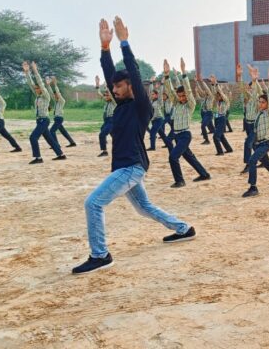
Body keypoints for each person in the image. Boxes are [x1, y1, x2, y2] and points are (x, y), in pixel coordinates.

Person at [73, 17, 195, 275]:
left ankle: (100, 255)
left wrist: (124, 43)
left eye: (119, 86)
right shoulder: (121, 106)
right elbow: (109, 77)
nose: (114, 90)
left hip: (130, 168)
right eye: (113, 86)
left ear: (131, 86)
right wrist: (105, 48)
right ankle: (184, 228)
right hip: (128, 167)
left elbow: (135, 74)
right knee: (144, 207)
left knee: (93, 203)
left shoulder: (142, 106)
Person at [162, 58, 212, 188]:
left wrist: (184, 72)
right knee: (189, 157)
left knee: (173, 157)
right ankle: (204, 174)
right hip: (177, 136)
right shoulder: (177, 103)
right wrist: (167, 75)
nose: (181, 98)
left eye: (183, 96)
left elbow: (189, 91)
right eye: (180, 96)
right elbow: (169, 90)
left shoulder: (190, 105)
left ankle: (180, 181)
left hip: (185, 135)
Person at [242, 66, 269, 197]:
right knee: (268, 165)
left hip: (265, 144)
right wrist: (254, 80)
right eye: (260, 102)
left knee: (252, 161)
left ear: (268, 104)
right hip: (257, 144)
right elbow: (256, 94)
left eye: (263, 102)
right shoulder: (258, 112)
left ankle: (253, 187)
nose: (260, 104)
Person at [23, 61, 66, 164]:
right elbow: (30, 83)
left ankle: (38, 158)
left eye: (38, 89)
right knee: (49, 139)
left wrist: (35, 70)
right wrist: (27, 72)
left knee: (33, 137)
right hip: (39, 121)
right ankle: (61, 154)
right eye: (36, 89)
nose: (36, 90)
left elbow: (40, 84)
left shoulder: (45, 95)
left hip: (44, 120)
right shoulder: (37, 95)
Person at [48, 76, 77, 148]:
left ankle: (56, 145)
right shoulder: (56, 101)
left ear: (59, 95)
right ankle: (72, 142)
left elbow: (57, 92)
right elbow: (51, 93)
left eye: (56, 95)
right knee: (63, 131)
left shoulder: (61, 101)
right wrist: (48, 85)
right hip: (56, 118)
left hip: (59, 119)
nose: (55, 96)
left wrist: (55, 84)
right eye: (54, 95)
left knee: (51, 131)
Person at [146, 77, 172, 151]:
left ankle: (152, 147)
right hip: (154, 120)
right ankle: (168, 144)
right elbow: (151, 91)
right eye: (152, 94)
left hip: (159, 119)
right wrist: (151, 83)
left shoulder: (159, 101)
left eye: (153, 94)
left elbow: (160, 93)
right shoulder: (151, 101)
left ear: (157, 95)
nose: (152, 95)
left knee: (152, 133)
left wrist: (162, 84)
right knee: (162, 134)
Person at [212, 73, 234, 155]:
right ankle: (229, 149)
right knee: (221, 136)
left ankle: (220, 152)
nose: (218, 96)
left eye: (219, 95)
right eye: (217, 96)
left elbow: (220, 92)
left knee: (215, 137)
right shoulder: (218, 101)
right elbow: (215, 93)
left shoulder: (226, 101)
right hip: (217, 119)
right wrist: (213, 84)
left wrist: (216, 83)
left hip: (222, 119)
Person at [96, 75, 116, 157]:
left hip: (112, 120)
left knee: (102, 134)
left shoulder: (114, 102)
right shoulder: (106, 101)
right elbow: (99, 94)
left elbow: (111, 95)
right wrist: (97, 84)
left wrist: (107, 87)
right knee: (113, 135)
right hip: (107, 120)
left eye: (107, 95)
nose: (106, 96)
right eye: (105, 95)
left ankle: (104, 151)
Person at [193, 75, 216, 144]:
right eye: (205, 91)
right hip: (203, 113)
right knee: (212, 128)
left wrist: (202, 81)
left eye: (206, 91)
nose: (205, 91)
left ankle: (207, 140)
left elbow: (208, 90)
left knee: (203, 126)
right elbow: (198, 95)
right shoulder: (203, 99)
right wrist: (196, 82)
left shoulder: (211, 97)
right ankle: (218, 135)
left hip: (209, 113)